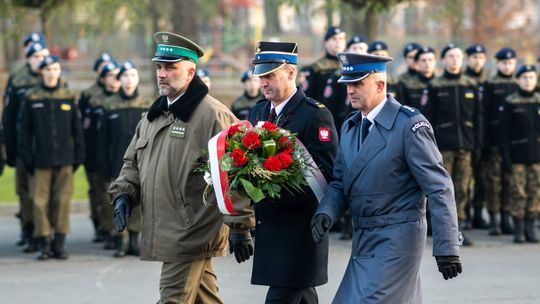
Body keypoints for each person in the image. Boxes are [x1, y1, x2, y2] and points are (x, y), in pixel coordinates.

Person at [108, 31, 252, 304]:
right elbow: (132, 162)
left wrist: (240, 226)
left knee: (172, 299)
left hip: (192, 230)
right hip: (168, 226)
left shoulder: (213, 115)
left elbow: (237, 171)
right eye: (159, 66)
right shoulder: (153, 115)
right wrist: (124, 193)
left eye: (170, 67)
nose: (162, 73)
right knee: (204, 298)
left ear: (190, 71)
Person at [311, 52, 462, 303]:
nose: (350, 91)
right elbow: (340, 181)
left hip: (398, 237)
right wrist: (326, 211)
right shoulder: (351, 126)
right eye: (348, 84)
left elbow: (439, 187)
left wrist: (447, 247)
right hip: (364, 238)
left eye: (358, 83)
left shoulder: (409, 125)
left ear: (380, 85)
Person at [241, 41, 338, 304]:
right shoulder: (259, 110)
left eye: (270, 75)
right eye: (260, 76)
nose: (263, 82)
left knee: (282, 296)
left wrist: (272, 186)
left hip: (299, 232)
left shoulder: (314, 116)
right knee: (303, 297)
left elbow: (324, 176)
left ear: (291, 73)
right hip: (271, 226)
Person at [19, 55, 85, 260]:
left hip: (65, 159)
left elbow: (77, 129)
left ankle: (60, 243)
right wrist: (27, 157)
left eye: (55, 69)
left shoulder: (68, 95)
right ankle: (44, 242)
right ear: (42, 72)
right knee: (39, 201)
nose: (52, 73)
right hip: (41, 160)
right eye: (48, 69)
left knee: (62, 201)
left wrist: (78, 155)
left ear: (59, 71)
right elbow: (24, 131)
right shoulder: (32, 97)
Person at [427, 43, 483, 246]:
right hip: (443, 148)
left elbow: (478, 117)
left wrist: (477, 145)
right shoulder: (435, 86)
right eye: (450, 56)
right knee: (443, 190)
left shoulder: (470, 84)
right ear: (443, 60)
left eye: (458, 56)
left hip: (465, 147)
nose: (454, 60)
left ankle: (458, 229)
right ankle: (441, 230)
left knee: (462, 189)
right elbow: (429, 119)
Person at [96, 61, 150, 257]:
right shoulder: (109, 105)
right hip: (115, 162)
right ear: (120, 80)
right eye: (125, 76)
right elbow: (101, 139)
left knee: (137, 201)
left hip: (140, 162)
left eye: (133, 75)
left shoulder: (147, 105)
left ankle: (134, 239)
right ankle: (119, 239)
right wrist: (103, 163)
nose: (129, 80)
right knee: (116, 199)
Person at [3, 40, 49, 252]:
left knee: (40, 194)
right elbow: (9, 117)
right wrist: (10, 149)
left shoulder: (51, 78)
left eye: (43, 55)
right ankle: (29, 231)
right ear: (29, 58)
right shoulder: (18, 80)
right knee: (25, 193)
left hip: (45, 148)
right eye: (36, 56)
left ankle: (44, 235)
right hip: (24, 146)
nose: (40, 60)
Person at [499, 64, 540, 243]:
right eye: (524, 78)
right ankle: (519, 229)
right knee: (518, 192)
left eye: (531, 77)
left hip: (537, 157)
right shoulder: (510, 102)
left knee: (535, 192)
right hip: (517, 157)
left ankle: (531, 228)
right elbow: (503, 132)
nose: (528, 81)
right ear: (518, 80)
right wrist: (506, 157)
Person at [78, 52, 114, 243]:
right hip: (93, 151)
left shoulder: (117, 97)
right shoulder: (89, 96)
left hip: (113, 152)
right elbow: (83, 126)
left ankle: (114, 229)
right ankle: (100, 225)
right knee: (97, 191)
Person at [482, 48, 518, 236]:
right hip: (495, 142)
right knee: (493, 182)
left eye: (511, 62)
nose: (507, 65)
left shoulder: (519, 83)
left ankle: (506, 216)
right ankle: (494, 218)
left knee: (509, 181)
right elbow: (485, 114)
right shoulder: (491, 84)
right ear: (498, 63)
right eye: (504, 62)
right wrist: (486, 142)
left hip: (514, 144)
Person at [88, 61, 122, 250]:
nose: (115, 80)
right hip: (99, 155)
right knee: (103, 196)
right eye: (111, 76)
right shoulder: (95, 100)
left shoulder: (120, 102)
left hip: (117, 156)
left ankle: (120, 233)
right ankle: (106, 230)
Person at [464, 43, 490, 230]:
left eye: (481, 57)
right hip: (467, 136)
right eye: (475, 57)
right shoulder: (465, 80)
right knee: (464, 180)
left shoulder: (489, 80)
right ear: (469, 58)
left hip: (486, 135)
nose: (478, 61)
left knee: (482, 178)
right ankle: (464, 214)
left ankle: (479, 213)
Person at [302, 26, 346, 103]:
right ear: (325, 43)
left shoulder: (349, 65)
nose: (338, 42)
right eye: (334, 39)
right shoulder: (316, 67)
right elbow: (307, 96)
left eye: (341, 39)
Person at [401, 46, 436, 115]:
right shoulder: (407, 85)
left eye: (430, 60)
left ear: (435, 61)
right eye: (423, 60)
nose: (427, 63)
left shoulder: (439, 84)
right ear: (417, 62)